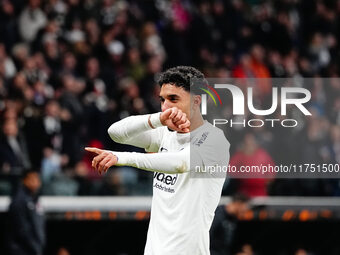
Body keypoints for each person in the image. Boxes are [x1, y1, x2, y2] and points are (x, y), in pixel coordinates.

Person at [86, 66, 230, 254]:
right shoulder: (164, 134)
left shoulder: (214, 139)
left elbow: (180, 163)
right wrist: (157, 120)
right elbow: (115, 133)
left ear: (196, 102)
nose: (165, 106)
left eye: (173, 99)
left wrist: (121, 157)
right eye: (162, 100)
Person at [7, 169, 45, 255]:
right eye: (32, 179)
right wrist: (35, 247)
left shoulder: (34, 199)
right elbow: (22, 230)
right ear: (24, 180)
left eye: (37, 179)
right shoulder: (18, 201)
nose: (36, 183)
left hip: (33, 248)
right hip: (21, 250)